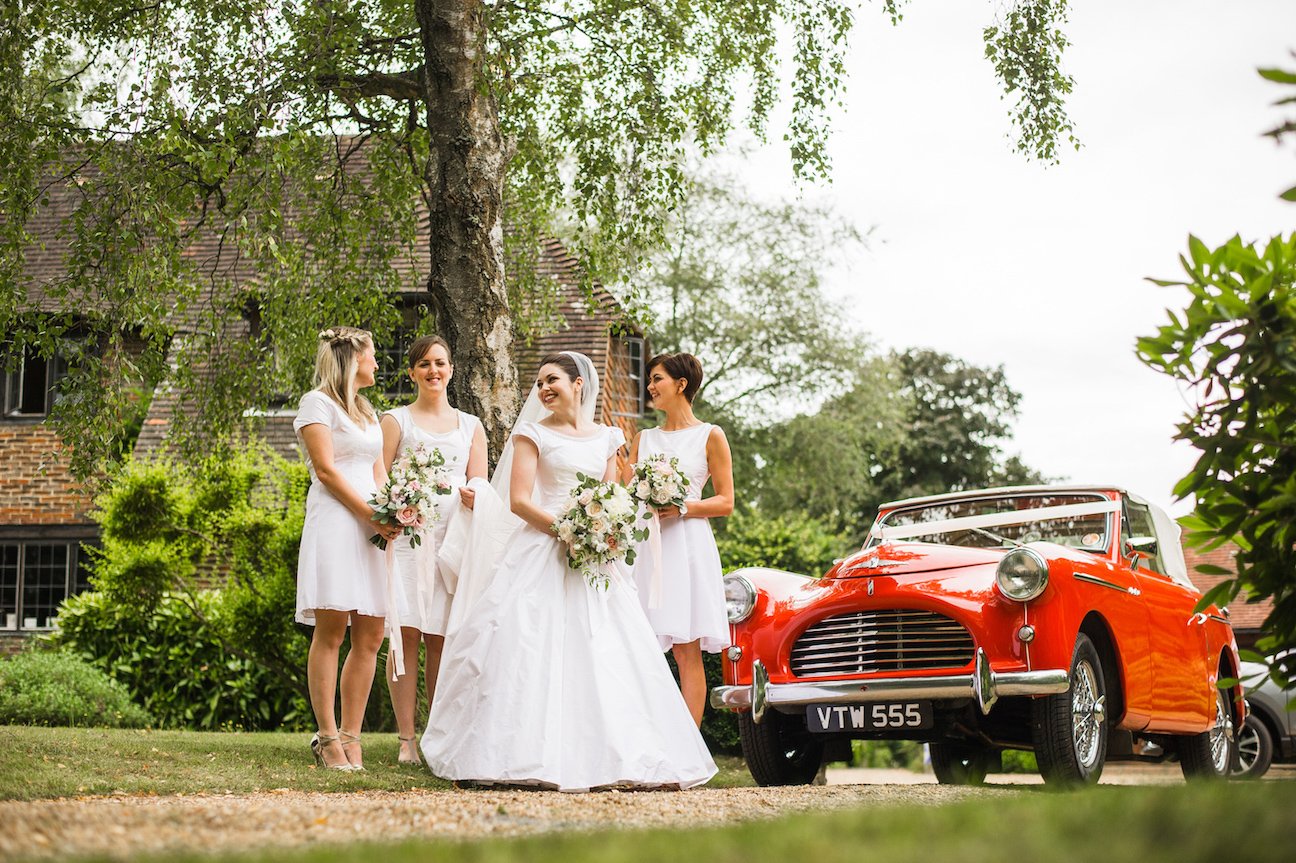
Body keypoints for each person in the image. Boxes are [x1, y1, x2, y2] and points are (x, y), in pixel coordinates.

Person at [421, 351, 717, 790]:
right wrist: (566, 530)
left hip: (595, 559)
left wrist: (603, 532)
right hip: (542, 549)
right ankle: (516, 755)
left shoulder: (608, 438)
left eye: (552, 379)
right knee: (524, 643)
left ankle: (616, 758)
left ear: (579, 385)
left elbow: (614, 497)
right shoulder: (531, 434)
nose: (544, 388)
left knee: (606, 651)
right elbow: (519, 500)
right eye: (539, 382)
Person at [294, 326, 401, 771]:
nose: (377, 363)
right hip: (339, 521)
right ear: (352, 359)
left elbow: (378, 473)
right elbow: (327, 471)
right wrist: (367, 514)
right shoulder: (316, 403)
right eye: (372, 356)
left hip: (372, 523)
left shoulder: (368, 411)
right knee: (332, 629)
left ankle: (353, 738)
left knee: (371, 634)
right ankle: (327, 738)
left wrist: (397, 511)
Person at [380, 335, 488, 766]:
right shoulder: (396, 421)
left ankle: (438, 735)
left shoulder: (471, 426)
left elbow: (479, 482)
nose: (433, 371)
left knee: (442, 637)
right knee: (405, 635)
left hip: (452, 540)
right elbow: (379, 480)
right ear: (411, 373)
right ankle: (406, 738)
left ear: (451, 370)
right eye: (423, 364)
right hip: (408, 540)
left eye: (440, 363)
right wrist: (395, 504)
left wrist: (476, 496)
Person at [626, 353, 733, 727]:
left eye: (657, 379)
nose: (651, 388)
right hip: (647, 548)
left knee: (687, 653)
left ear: (681, 384)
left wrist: (683, 507)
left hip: (687, 548)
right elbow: (624, 495)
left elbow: (726, 501)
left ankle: (687, 751)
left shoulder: (710, 435)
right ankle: (643, 739)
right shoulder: (644, 439)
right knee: (638, 645)